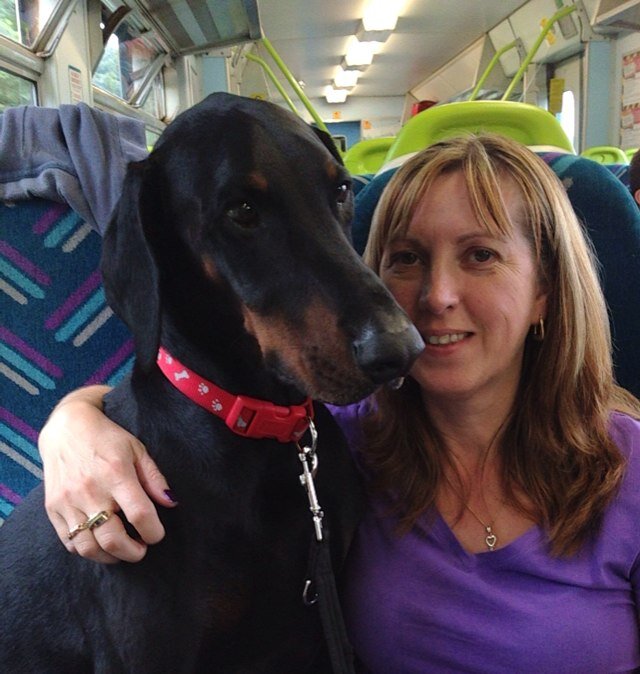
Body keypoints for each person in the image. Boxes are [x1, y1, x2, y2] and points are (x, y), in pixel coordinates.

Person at [37, 134, 640, 672]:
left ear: (545, 292)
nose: (436, 297)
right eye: (406, 259)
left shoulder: (629, 467)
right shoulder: (341, 441)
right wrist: (72, 423)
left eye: (481, 255)